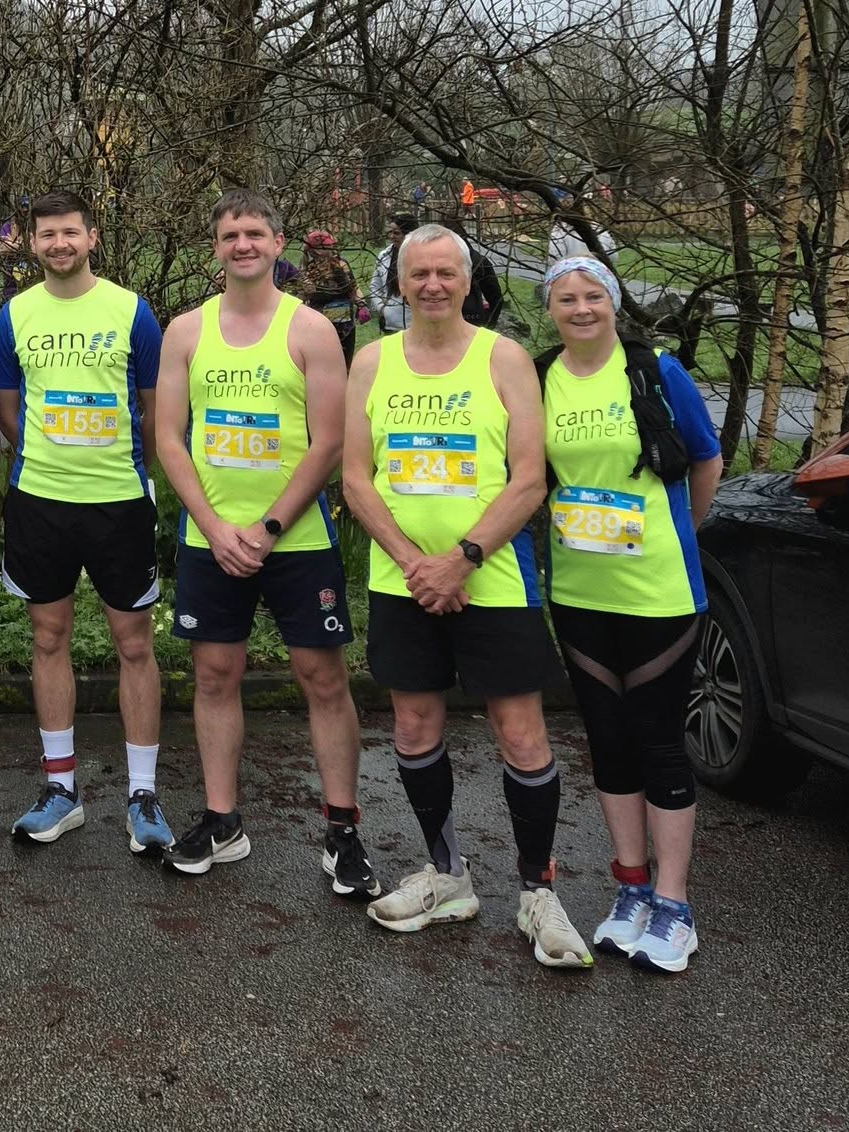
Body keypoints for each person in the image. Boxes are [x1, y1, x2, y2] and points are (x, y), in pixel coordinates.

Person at [342, 223, 592, 969]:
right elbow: (357, 478)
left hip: (494, 577)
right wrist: (418, 564)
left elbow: (528, 479)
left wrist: (462, 558)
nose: (432, 285)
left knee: (521, 734)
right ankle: (447, 875)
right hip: (401, 580)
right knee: (414, 727)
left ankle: (538, 892)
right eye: (417, 273)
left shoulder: (505, 358)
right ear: (399, 283)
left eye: (446, 271)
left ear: (467, 278)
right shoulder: (372, 362)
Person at [153, 190, 380, 895]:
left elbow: (330, 441)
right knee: (215, 676)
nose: (242, 244)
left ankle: (342, 830)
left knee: (323, 680)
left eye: (255, 232)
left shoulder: (310, 330)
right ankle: (223, 819)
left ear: (280, 243)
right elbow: (167, 437)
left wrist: (268, 527)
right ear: (215, 248)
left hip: (296, 538)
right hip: (210, 539)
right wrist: (218, 529)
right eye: (229, 234)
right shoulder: (186, 331)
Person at [538, 257, 722, 973]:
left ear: (613, 303)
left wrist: (683, 539)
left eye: (593, 296)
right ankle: (631, 890)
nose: (580, 309)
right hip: (579, 590)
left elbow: (705, 461)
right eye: (565, 299)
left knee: (658, 741)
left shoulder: (657, 372)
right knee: (608, 743)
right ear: (549, 309)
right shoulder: (540, 376)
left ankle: (674, 908)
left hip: (658, 592)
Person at [0, 190, 168, 849]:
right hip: (40, 498)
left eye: (70, 232)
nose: (58, 244)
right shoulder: (15, 314)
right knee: (46, 639)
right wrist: (47, 458)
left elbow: (152, 409)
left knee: (134, 644)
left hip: (118, 498)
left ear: (93, 237)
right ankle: (61, 789)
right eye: (46, 235)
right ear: (31, 244)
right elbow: (10, 412)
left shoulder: (131, 311)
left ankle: (143, 795)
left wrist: (125, 465)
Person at [299, 229, 361, 362]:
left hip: (345, 323)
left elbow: (352, 286)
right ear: (316, 249)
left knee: (345, 363)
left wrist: (361, 304)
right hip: (320, 323)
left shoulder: (340, 263)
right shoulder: (308, 270)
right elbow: (305, 295)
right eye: (327, 246)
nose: (332, 248)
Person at [437, 216, 504, 328]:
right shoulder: (478, 260)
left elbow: (496, 298)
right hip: (471, 320)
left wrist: (489, 324)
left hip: (469, 320)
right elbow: (496, 298)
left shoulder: (477, 262)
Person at [369, 213, 416, 332]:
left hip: (416, 325)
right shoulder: (384, 256)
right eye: (390, 232)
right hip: (390, 324)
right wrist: (382, 308)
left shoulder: (422, 257)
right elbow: (375, 286)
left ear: (408, 233)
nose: (391, 236)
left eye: (396, 233)